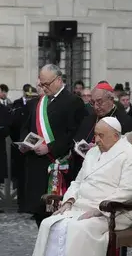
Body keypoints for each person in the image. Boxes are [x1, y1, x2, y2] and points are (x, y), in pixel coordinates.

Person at [20, 117, 132, 256]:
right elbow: (78, 182)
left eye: (101, 136)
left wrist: (98, 209)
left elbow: (128, 191)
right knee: (50, 224)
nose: (96, 140)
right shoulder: (94, 152)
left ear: (116, 136)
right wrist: (69, 201)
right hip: (81, 206)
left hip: (112, 211)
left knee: (79, 229)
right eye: (95, 134)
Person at [19, 64, 85, 228]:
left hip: (57, 164)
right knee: (39, 212)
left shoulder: (73, 101)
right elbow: (26, 127)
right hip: (36, 163)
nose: (43, 87)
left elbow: (74, 133)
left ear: (59, 80)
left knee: (56, 213)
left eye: (46, 84)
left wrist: (50, 147)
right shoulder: (38, 102)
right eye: (41, 84)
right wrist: (25, 143)